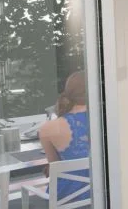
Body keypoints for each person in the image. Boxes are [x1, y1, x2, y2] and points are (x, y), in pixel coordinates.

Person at [39, 71, 91, 200]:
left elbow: (55, 168)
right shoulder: (106, 121)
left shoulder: (47, 129)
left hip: (66, 199)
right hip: (102, 196)